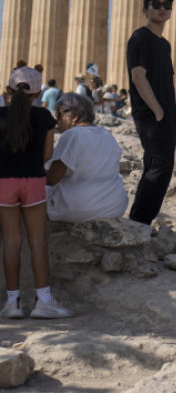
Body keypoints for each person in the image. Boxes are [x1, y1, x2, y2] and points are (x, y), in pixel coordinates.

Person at [0, 66, 72, 319]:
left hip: (4, 183)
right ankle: (44, 301)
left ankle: (12, 303)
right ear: (38, 92)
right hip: (33, 181)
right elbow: (47, 156)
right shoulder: (43, 118)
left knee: (11, 241)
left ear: (9, 90)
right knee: (37, 242)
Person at [126, 0, 176, 226]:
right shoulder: (140, 37)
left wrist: (169, 114)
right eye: (156, 4)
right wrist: (157, 110)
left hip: (166, 115)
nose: (161, 9)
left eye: (166, 5)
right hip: (151, 114)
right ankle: (139, 221)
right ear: (145, 9)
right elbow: (138, 76)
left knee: (158, 167)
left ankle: (141, 221)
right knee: (159, 166)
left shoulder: (165, 44)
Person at [46, 92, 128, 222]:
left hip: (79, 208)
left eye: (59, 115)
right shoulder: (107, 135)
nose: (57, 121)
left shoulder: (72, 134)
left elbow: (52, 179)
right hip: (114, 206)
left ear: (75, 116)